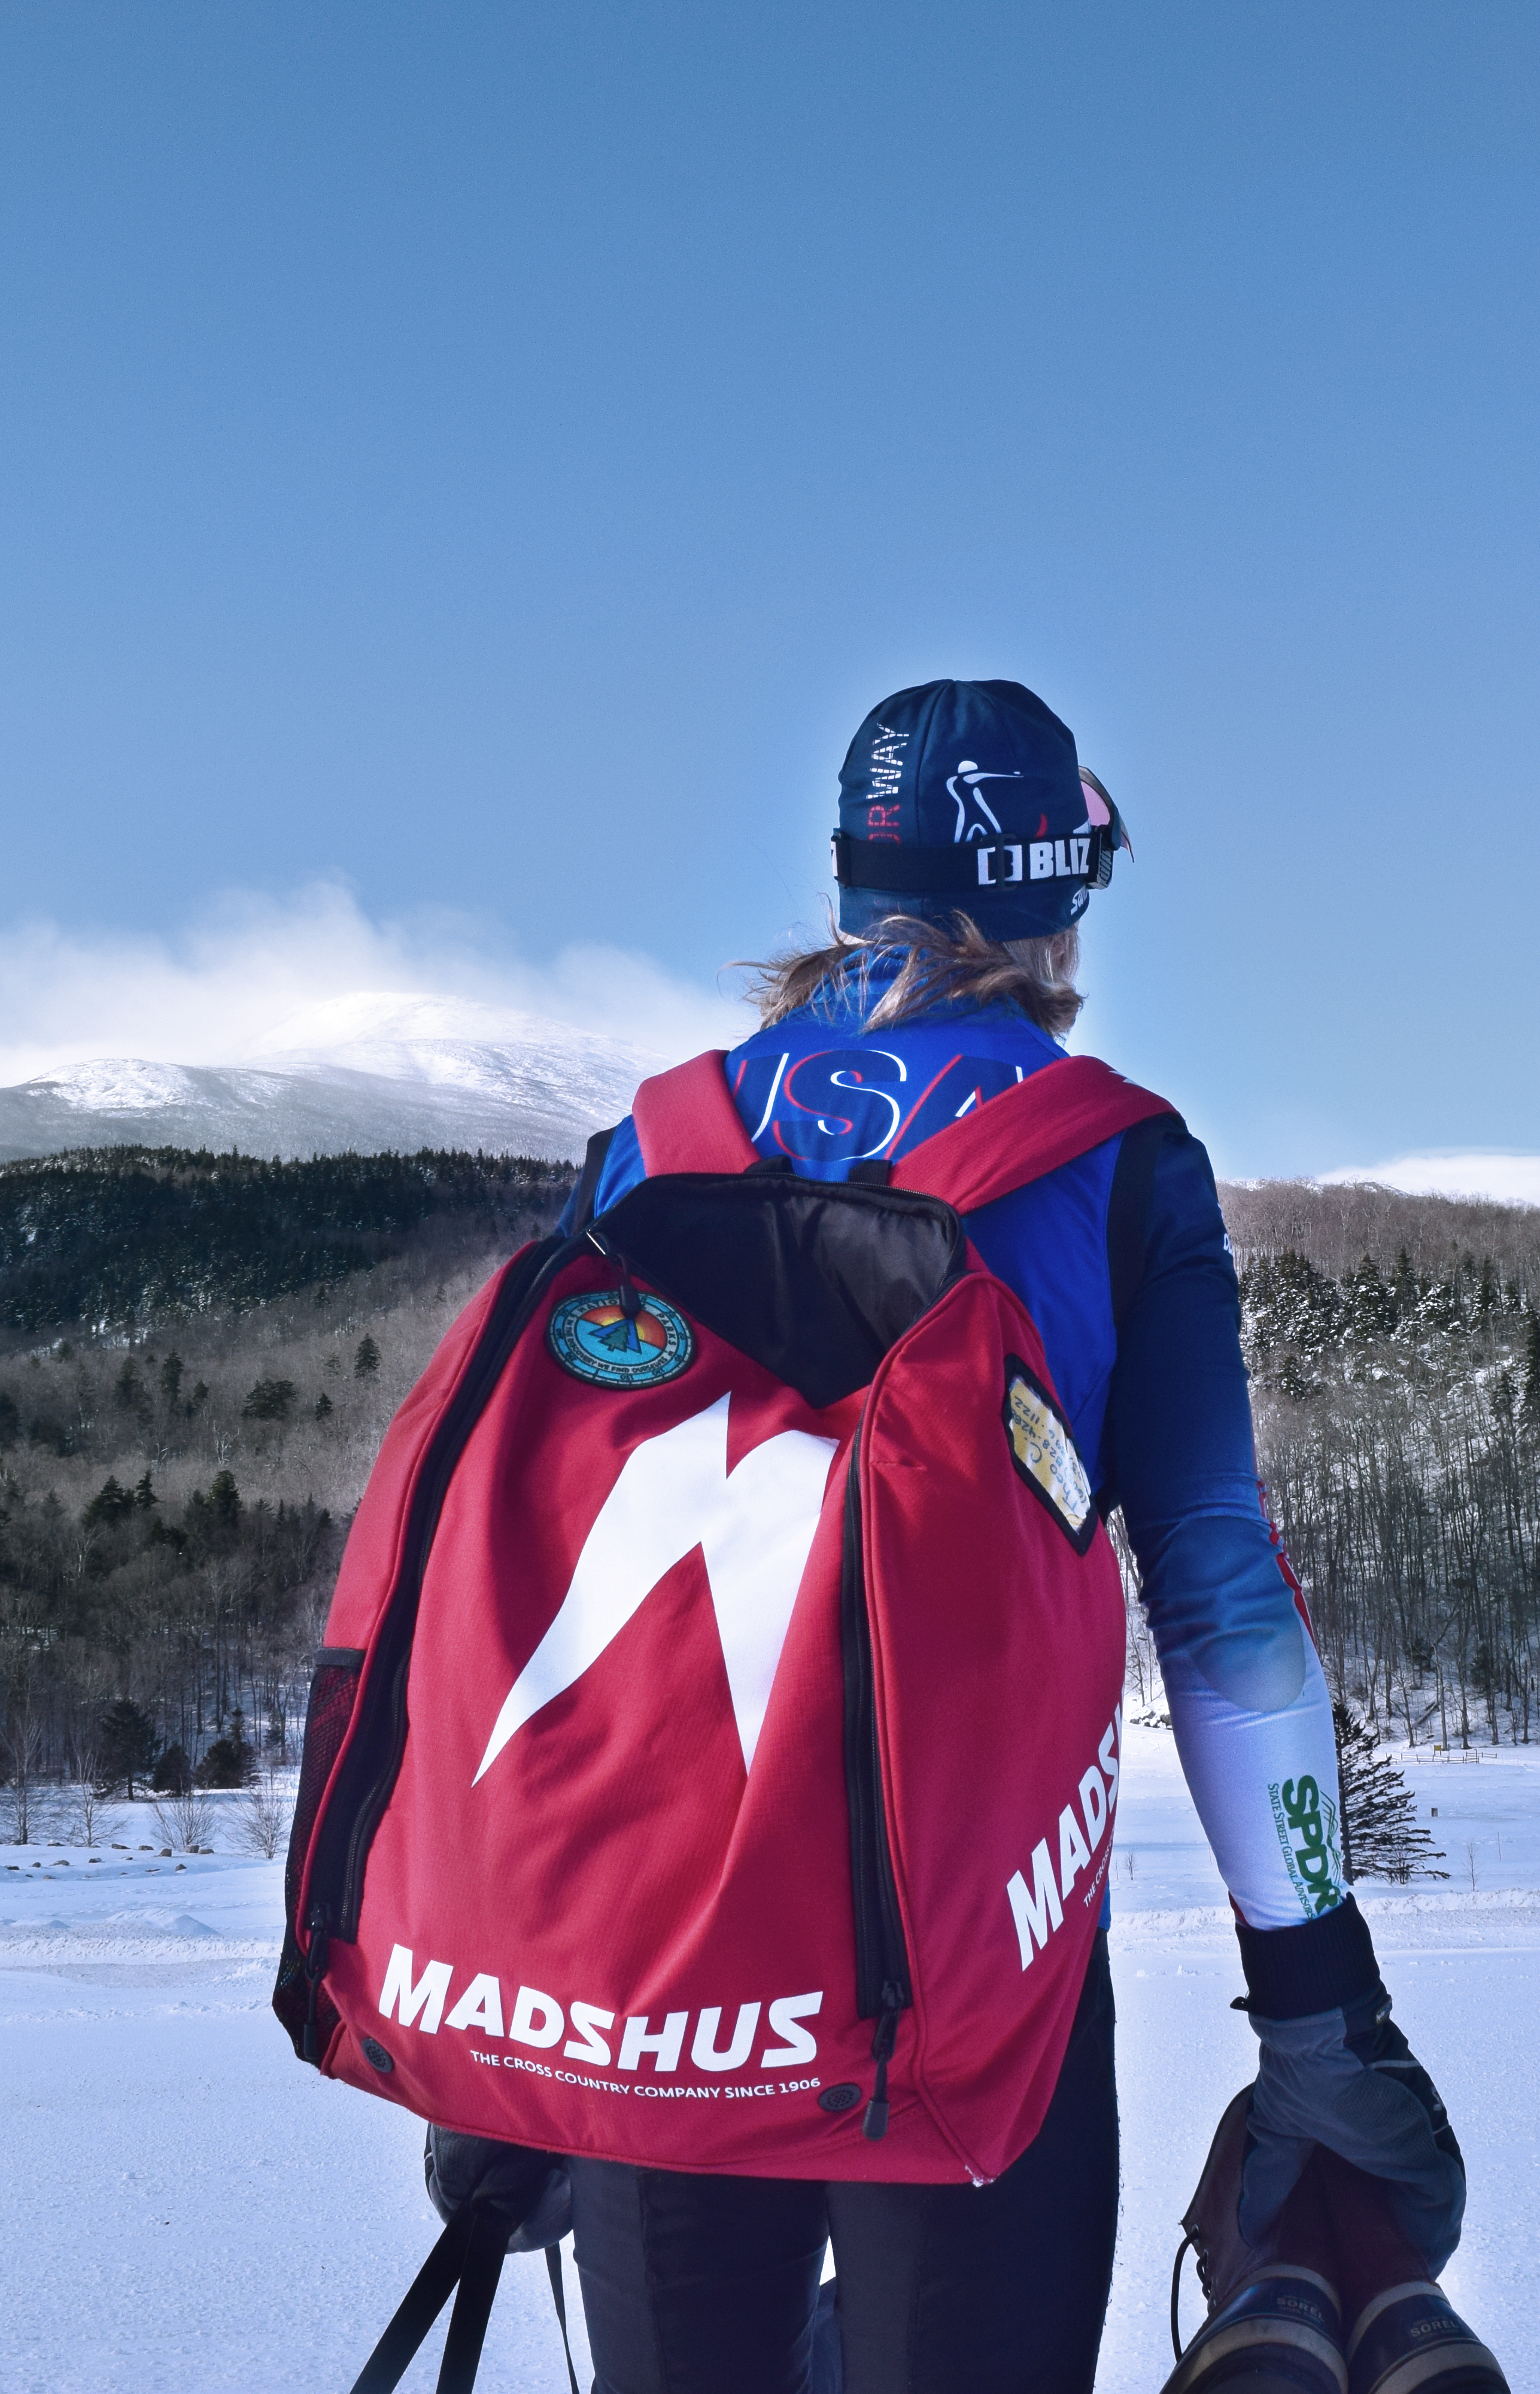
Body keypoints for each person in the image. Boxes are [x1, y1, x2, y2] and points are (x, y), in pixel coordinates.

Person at [432, 679, 1478, 2394]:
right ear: (1056, 894)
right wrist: (1316, 2000)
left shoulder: (643, 1149)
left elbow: (517, 1571)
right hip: (975, 1989)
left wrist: (501, 2014)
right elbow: (1220, 1606)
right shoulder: (1119, 1164)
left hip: (642, 1978)